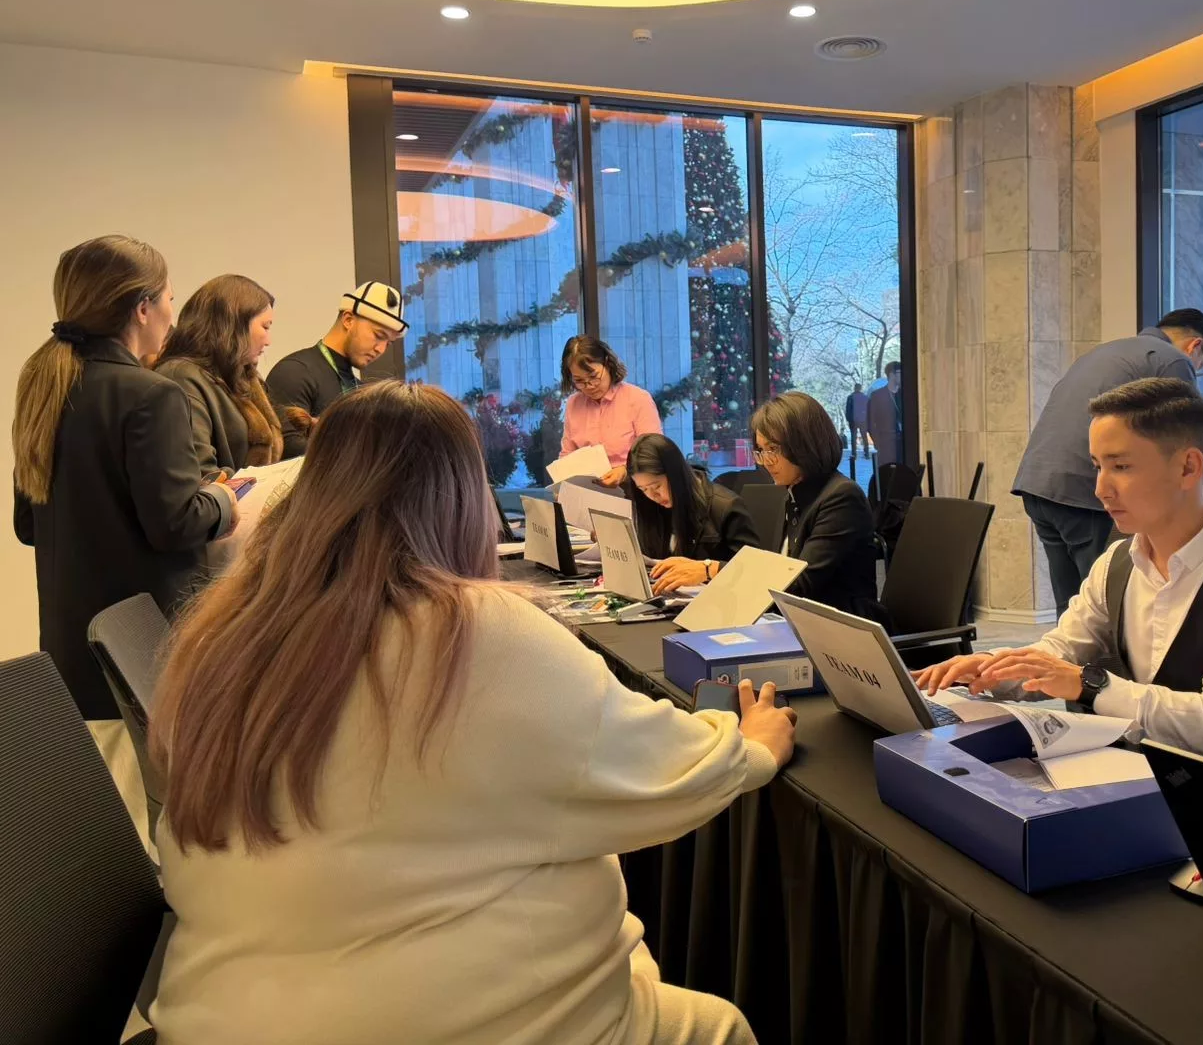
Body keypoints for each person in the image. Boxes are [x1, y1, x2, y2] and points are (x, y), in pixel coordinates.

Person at [149, 381, 795, 1045]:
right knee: (722, 1027)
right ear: (459, 496)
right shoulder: (474, 634)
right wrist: (749, 748)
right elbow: (662, 769)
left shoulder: (221, 635)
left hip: (213, 1013)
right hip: (435, 1019)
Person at [919, 378, 1203, 766]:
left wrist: (1089, 683)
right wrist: (989, 668)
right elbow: (1062, 650)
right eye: (1097, 466)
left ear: (1188, 467)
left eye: (1121, 466)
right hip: (1130, 775)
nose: (1101, 489)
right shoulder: (1118, 561)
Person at [12, 234, 237, 844]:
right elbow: (175, 523)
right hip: (143, 644)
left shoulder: (44, 386)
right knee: (151, 827)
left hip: (71, 646)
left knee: (104, 829)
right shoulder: (152, 395)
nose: (172, 316)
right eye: (169, 300)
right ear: (142, 308)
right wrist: (223, 500)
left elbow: (28, 525)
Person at [1013, 308, 1203, 617]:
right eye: (1202, 365)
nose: (1196, 369)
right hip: (1083, 489)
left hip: (1038, 482)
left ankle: (1069, 649)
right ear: (1196, 346)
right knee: (1108, 603)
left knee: (1071, 605)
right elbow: (1186, 431)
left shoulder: (1107, 352)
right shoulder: (1171, 359)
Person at [751, 391, 884, 623]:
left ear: (804, 444)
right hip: (802, 622)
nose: (766, 461)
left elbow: (800, 584)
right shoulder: (793, 494)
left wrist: (717, 571)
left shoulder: (841, 496)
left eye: (773, 449)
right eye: (761, 451)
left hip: (842, 628)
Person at [154, 274, 283, 480]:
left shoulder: (245, 377)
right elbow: (200, 472)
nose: (268, 341)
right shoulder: (180, 377)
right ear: (234, 325)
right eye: (265, 327)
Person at [266, 280, 407, 458]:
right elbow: (289, 451)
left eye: (389, 343)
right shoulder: (293, 372)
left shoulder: (361, 390)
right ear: (348, 320)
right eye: (378, 335)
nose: (381, 349)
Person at [625, 434, 762, 595]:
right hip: (667, 600)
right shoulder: (650, 508)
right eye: (643, 489)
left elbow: (754, 572)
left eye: (656, 487)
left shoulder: (725, 507)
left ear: (676, 475)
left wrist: (707, 570)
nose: (652, 496)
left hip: (719, 600)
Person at [560, 335, 662, 487]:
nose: (589, 386)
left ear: (608, 363)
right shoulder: (573, 404)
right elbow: (567, 454)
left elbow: (654, 453)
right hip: (590, 490)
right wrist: (562, 482)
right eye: (579, 381)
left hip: (636, 488)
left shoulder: (637, 399)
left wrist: (625, 470)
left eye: (594, 376)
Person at [865, 361, 903, 465]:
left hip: (904, 444)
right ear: (891, 375)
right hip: (886, 444)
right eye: (900, 372)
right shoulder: (877, 395)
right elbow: (870, 422)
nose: (902, 375)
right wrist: (878, 443)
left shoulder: (905, 394)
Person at [845, 382, 869, 458]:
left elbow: (848, 410)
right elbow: (868, 409)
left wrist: (848, 419)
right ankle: (866, 453)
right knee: (864, 437)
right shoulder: (865, 397)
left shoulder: (850, 397)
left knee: (853, 437)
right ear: (860, 388)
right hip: (863, 420)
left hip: (853, 420)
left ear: (854, 388)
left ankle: (854, 453)